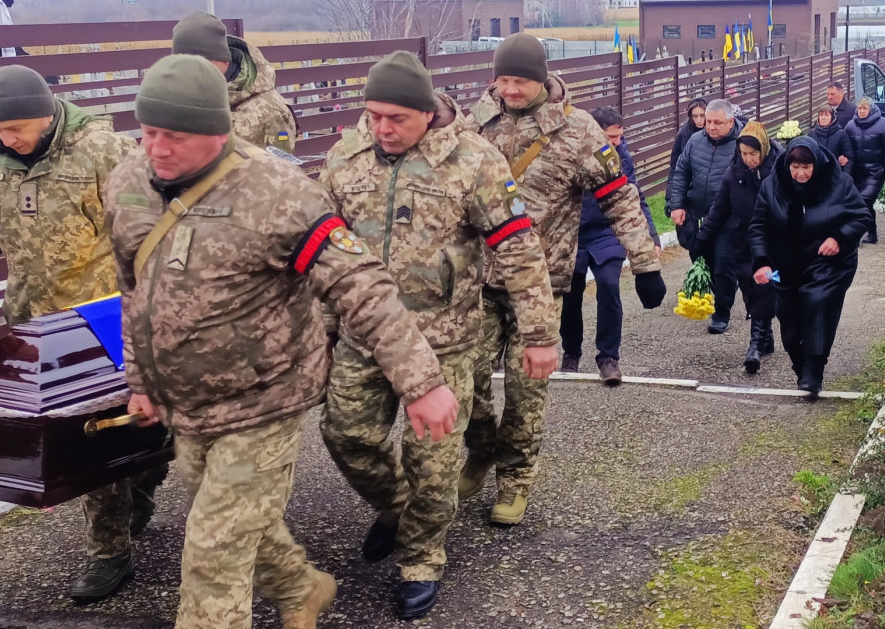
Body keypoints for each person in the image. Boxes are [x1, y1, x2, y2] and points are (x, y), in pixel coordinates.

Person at [107, 55, 456, 629]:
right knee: (237, 518)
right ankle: (301, 590)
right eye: (147, 132)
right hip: (186, 403)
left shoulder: (279, 194)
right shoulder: (128, 184)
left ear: (217, 131)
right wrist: (141, 382)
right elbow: (134, 289)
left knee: (212, 549)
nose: (157, 149)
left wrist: (420, 382)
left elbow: (360, 286)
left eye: (174, 135)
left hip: (265, 399)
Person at [319, 51, 557, 619]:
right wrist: (321, 327)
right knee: (345, 435)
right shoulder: (344, 158)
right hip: (365, 335)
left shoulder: (474, 160)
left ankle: (421, 558)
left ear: (426, 113)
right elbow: (323, 249)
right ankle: (396, 509)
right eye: (373, 115)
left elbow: (518, 246)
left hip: (444, 339)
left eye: (395, 117)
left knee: (433, 462)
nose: (381, 128)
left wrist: (539, 332)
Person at [0, 65, 153, 604]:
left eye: (16, 129)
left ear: (46, 114)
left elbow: (144, 229)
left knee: (101, 430)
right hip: (33, 322)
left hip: (102, 316)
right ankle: (126, 511)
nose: (6, 138)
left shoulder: (102, 150)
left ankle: (111, 548)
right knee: (72, 437)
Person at [462, 34, 667, 527]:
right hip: (479, 279)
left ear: (541, 78)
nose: (509, 89)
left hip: (542, 285)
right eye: (503, 79)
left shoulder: (578, 130)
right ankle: (483, 445)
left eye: (520, 80)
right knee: (463, 379)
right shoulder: (474, 124)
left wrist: (645, 264)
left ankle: (515, 479)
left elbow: (620, 196)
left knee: (525, 388)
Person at [749, 137, 873, 399]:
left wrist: (839, 238)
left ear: (816, 164)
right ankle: (801, 368)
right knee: (789, 318)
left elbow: (861, 216)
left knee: (817, 305)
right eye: (795, 167)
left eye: (806, 167)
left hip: (829, 262)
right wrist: (761, 261)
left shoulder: (839, 183)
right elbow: (758, 226)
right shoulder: (773, 185)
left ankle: (814, 372)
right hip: (786, 263)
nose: (800, 174)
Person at [563, 106, 659, 381]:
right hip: (573, 233)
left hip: (608, 230)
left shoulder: (621, 156)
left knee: (608, 285)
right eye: (611, 136)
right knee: (570, 296)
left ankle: (608, 358)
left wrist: (650, 236)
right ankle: (571, 352)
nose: (617, 142)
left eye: (620, 136)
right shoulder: (570, 153)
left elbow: (634, 197)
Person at [695, 122, 779, 374]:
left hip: (771, 240)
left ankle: (754, 346)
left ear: (763, 149)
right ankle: (766, 337)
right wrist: (702, 238)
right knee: (748, 288)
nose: (748, 159)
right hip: (742, 239)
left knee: (764, 285)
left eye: (753, 154)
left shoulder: (779, 170)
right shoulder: (735, 172)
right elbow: (720, 207)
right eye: (743, 153)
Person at [171, 11, 297, 152]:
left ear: (224, 60)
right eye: (182, 64)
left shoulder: (270, 111)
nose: (190, 72)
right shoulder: (173, 101)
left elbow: (280, 170)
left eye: (199, 63)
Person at [667, 98, 742, 281]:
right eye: (709, 121)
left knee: (723, 266)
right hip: (698, 215)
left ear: (730, 121)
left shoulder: (742, 145)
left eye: (717, 122)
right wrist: (676, 204)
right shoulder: (694, 140)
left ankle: (722, 309)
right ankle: (709, 302)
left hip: (728, 219)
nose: (710, 126)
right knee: (700, 260)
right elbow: (681, 173)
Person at [844, 98, 885, 244]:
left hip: (876, 171)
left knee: (863, 200)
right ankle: (872, 233)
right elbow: (845, 146)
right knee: (866, 203)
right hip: (857, 172)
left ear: (870, 109)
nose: (862, 111)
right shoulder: (851, 125)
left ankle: (857, 234)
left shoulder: (883, 124)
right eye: (860, 108)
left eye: (865, 109)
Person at [667, 98, 708, 177]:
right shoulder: (684, 133)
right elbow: (674, 165)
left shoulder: (713, 131)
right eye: (695, 116)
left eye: (702, 115)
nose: (699, 120)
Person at [808, 105, 853, 172]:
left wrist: (844, 177)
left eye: (826, 115)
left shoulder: (841, 134)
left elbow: (849, 158)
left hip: (835, 174)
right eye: (821, 115)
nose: (823, 118)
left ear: (832, 117)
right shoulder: (811, 134)